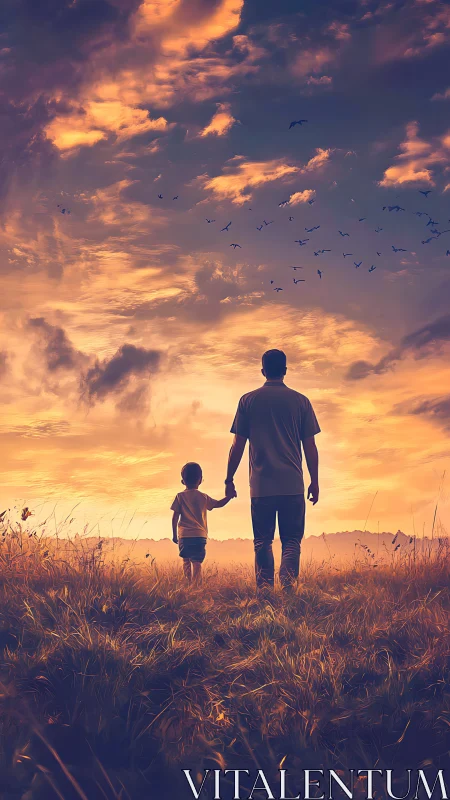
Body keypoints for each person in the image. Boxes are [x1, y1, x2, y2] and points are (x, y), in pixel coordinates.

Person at [225, 349, 320, 592]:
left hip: (261, 486)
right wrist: (314, 481)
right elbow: (310, 445)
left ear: (263, 371)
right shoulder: (301, 401)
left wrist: (229, 478)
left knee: (262, 542)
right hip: (292, 485)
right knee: (291, 542)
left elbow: (238, 444)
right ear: (285, 371)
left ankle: (265, 593)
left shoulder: (248, 400)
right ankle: (289, 591)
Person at [171, 462, 234, 585]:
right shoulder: (203, 497)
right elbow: (218, 504)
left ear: (182, 481)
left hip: (184, 535)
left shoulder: (180, 497)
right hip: (199, 536)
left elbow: (175, 517)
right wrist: (229, 497)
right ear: (200, 480)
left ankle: (188, 584)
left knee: (186, 560)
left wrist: (174, 534)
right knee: (197, 562)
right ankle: (196, 586)